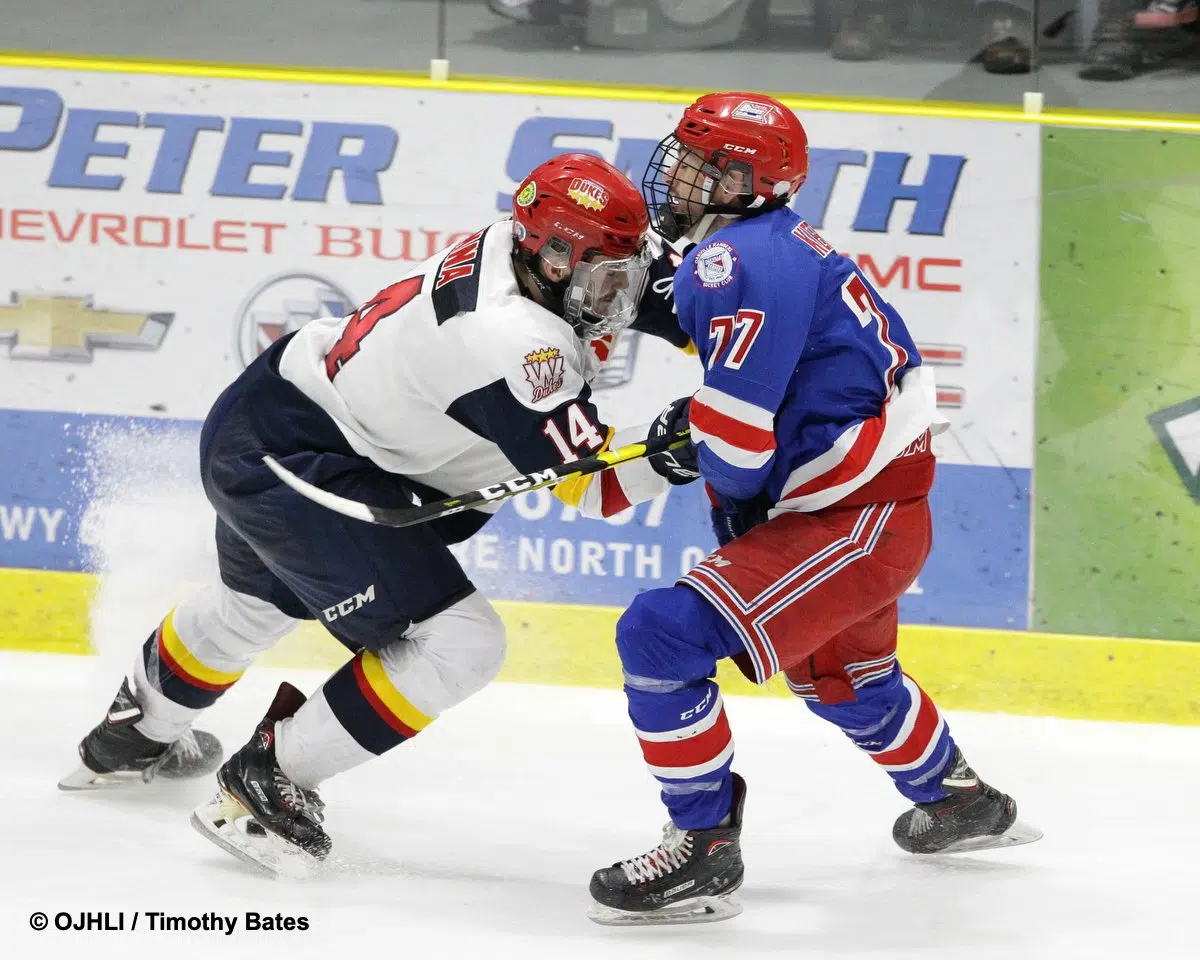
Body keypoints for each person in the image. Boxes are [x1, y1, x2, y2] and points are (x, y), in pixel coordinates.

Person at [60, 153, 697, 875]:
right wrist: (690, 445)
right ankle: (268, 782)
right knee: (461, 644)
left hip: (273, 420)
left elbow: (663, 294)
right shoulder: (513, 342)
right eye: (603, 278)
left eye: (621, 272)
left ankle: (129, 734)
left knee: (253, 606)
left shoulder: (537, 251)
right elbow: (596, 488)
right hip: (302, 465)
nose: (619, 294)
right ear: (550, 259)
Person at [586, 92, 1040, 926]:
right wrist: (679, 441)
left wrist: (674, 447)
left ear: (743, 180)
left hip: (851, 518)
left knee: (659, 633)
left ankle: (702, 845)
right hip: (872, 509)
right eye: (681, 157)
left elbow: (740, 451)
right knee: (845, 679)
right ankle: (960, 801)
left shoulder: (736, 263)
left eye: (698, 164)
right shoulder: (768, 245)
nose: (675, 176)